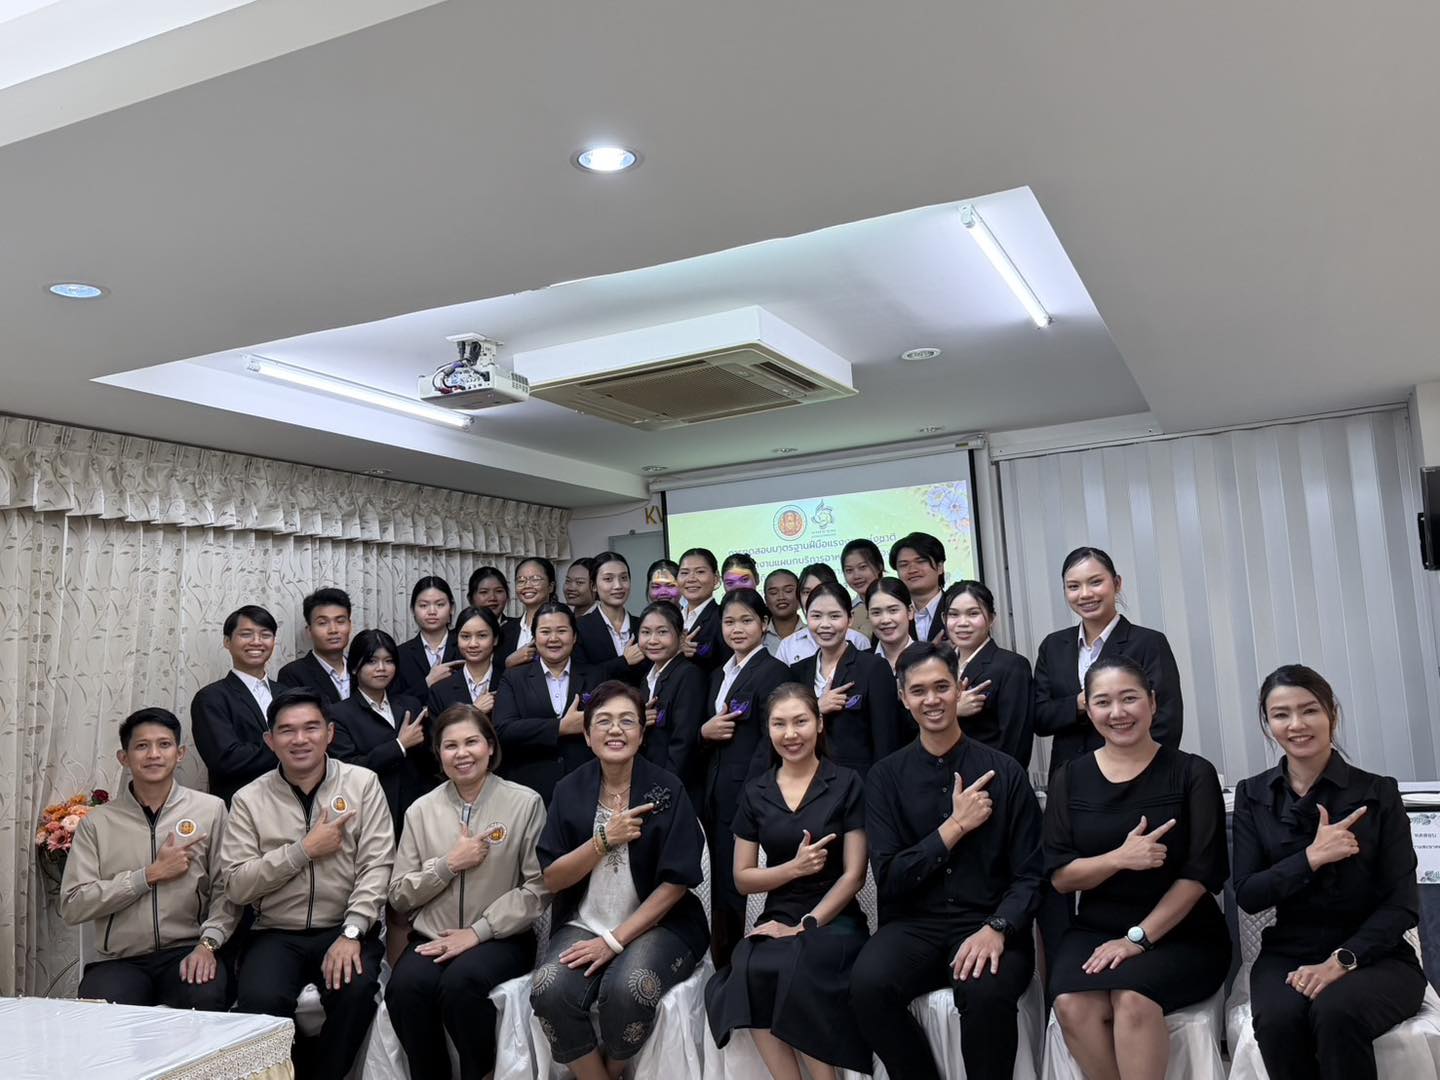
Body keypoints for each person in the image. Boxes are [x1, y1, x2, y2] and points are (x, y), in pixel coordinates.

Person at [851, 641, 1044, 1080]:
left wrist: (998, 928)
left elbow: (1031, 874)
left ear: (959, 688)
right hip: (914, 925)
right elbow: (890, 877)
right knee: (867, 986)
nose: (932, 700)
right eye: (919, 691)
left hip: (989, 919)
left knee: (984, 992)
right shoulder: (884, 778)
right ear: (903, 698)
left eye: (942, 687)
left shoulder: (1005, 772)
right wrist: (953, 828)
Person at [1232, 665, 1426, 1080]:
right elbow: (1248, 894)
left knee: (1336, 1012)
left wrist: (1342, 960)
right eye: (1281, 714)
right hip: (1289, 952)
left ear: (1331, 714)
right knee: (1278, 1021)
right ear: (1268, 723)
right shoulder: (1253, 794)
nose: (1296, 724)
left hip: (1377, 956)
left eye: (1309, 710)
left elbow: (1403, 905)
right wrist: (1310, 858)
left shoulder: (1378, 792)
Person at [1044, 656, 1229, 1080]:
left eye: (1129, 699)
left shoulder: (1192, 773)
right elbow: (1060, 876)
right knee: (1071, 1003)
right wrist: (1119, 858)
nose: (1117, 712)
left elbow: (1201, 875)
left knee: (1131, 998)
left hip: (1182, 932)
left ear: (1152, 703)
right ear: (1088, 709)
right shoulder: (1069, 777)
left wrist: (1138, 939)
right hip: (1095, 929)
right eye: (1103, 702)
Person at [530, 681, 708, 1079]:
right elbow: (553, 878)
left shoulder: (667, 789)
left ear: (642, 734)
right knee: (549, 989)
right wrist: (603, 840)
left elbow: (677, 883)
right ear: (587, 735)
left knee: (630, 989)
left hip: (660, 925)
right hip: (584, 922)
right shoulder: (569, 790)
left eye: (627, 721)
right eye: (604, 721)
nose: (615, 730)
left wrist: (614, 941)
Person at [222, 688, 394, 1080]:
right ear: (270, 740)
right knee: (259, 1002)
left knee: (356, 991)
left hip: (344, 925)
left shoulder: (363, 784)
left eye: (311, 728)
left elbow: (377, 865)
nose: (300, 740)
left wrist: (353, 931)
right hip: (275, 931)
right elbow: (237, 884)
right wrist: (303, 850)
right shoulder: (248, 799)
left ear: (329, 733)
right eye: (287, 730)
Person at [705, 684, 872, 1077]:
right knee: (748, 965)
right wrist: (793, 869)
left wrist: (806, 925)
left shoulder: (847, 783)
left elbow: (854, 875)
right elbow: (743, 879)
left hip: (835, 919)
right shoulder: (756, 792)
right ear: (768, 729)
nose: (791, 733)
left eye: (800, 722)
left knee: (799, 965)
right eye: (779, 724)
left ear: (819, 724)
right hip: (779, 914)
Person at [387, 705, 549, 1080]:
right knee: (405, 988)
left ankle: (482, 1073)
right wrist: (448, 864)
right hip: (433, 935)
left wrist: (478, 932)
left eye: (471, 742)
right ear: (438, 754)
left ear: (490, 746)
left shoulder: (525, 803)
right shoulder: (420, 810)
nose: (462, 753)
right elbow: (399, 894)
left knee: (462, 985)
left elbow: (537, 889)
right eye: (450, 746)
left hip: (501, 937)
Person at [61, 707, 238, 1010]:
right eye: (142, 746)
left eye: (164, 744)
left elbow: (227, 888)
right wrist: (148, 875)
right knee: (100, 1012)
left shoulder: (210, 810)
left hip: (188, 949)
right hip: (120, 960)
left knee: (206, 998)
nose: (154, 754)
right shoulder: (98, 823)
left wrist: (208, 943)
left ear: (180, 754)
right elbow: (73, 904)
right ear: (124, 758)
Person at [700, 588, 793, 965]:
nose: (736, 629)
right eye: (729, 622)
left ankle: (742, 965)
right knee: (719, 885)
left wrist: (750, 796)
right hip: (715, 794)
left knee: (742, 888)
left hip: (749, 798)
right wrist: (704, 732)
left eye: (746, 620)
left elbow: (770, 741)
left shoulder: (774, 672)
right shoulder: (719, 673)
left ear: (764, 624)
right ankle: (723, 965)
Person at [1033, 546, 1183, 777]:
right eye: (1073, 586)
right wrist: (1079, 703)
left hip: (1132, 775)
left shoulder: (1148, 642)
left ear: (1117, 583)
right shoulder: (1053, 646)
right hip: (1068, 778)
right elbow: (1040, 717)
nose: (1085, 594)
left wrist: (1143, 775)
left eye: (1095, 582)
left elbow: (1167, 721)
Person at [327, 628, 437, 834]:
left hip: (417, 808)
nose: (381, 668)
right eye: (371, 661)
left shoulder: (410, 704)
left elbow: (430, 759)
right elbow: (348, 769)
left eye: (388, 661)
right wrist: (399, 745)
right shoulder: (339, 714)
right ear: (354, 667)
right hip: (372, 811)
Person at [786, 581, 901, 776]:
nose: (825, 625)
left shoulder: (873, 668)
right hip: (807, 781)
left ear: (850, 619)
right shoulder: (797, 671)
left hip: (858, 783)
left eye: (834, 616)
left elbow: (886, 742)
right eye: (816, 616)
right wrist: (816, 708)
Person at [491, 601, 601, 803]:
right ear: (534, 638)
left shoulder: (596, 677)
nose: (553, 639)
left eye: (562, 631)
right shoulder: (514, 678)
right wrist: (559, 727)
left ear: (574, 636)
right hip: (528, 789)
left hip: (585, 786)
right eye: (545, 632)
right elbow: (503, 730)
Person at [192, 604, 284, 805]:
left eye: (265, 635)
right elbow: (227, 760)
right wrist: (289, 745)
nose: (256, 642)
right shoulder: (211, 698)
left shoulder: (288, 694)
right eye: (246, 634)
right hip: (241, 806)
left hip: (292, 803)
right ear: (227, 641)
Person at [940, 580, 1035, 768]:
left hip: (989, 776)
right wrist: (953, 710)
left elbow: (1016, 742)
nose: (962, 623)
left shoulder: (1012, 666)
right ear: (944, 619)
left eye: (973, 613)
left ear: (991, 619)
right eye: (954, 614)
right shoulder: (939, 665)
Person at [636, 600, 706, 794]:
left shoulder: (688, 675)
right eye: (646, 632)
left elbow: (683, 743)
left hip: (672, 788)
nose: (653, 640)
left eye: (662, 632)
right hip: (648, 781)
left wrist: (664, 791)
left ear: (681, 636)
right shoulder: (647, 679)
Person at [774, 563, 872, 666]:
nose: (813, 597)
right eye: (807, 592)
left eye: (820, 589)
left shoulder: (857, 640)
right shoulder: (788, 645)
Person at [574, 550, 647, 682]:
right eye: (608, 579)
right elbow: (581, 677)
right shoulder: (580, 628)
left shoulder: (643, 626)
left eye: (623, 578)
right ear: (593, 586)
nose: (618, 586)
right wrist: (623, 661)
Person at [278, 588, 354, 704]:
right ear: (309, 631)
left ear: (350, 625)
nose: (333, 630)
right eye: (322, 623)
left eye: (340, 621)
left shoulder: (360, 669)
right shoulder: (293, 674)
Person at [428, 605, 505, 718]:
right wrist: (475, 711)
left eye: (482, 636)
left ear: (495, 639)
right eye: (465, 636)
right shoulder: (440, 690)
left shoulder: (510, 682)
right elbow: (438, 729)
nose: (473, 644)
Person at [395, 575, 463, 699]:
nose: (432, 611)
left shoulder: (466, 647)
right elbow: (395, 702)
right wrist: (427, 683)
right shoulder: (400, 655)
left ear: (452, 608)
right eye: (423, 605)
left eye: (440, 605)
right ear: (413, 610)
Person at [499, 557, 558, 672]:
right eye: (521, 580)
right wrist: (509, 662)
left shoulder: (564, 626)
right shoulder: (505, 630)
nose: (527, 585)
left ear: (550, 586)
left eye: (535, 579)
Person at [678, 547, 730, 676]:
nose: (691, 579)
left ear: (716, 578)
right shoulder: (674, 618)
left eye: (700, 572)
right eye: (684, 573)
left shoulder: (722, 618)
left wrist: (692, 654)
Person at [887, 533, 947, 641]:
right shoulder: (892, 615)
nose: (912, 570)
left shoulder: (956, 607)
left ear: (940, 567)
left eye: (920, 561)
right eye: (904, 565)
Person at [866, 577, 917, 672]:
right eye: (876, 613)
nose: (885, 620)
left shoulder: (930, 657)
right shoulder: (858, 664)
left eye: (893, 610)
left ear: (910, 611)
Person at [840, 538, 884, 638]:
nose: (856, 576)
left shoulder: (899, 601)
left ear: (879, 566)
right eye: (849, 570)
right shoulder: (847, 612)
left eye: (863, 567)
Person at [761, 568, 803, 654]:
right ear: (766, 600)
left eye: (788, 591)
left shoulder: (813, 634)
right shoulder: (758, 638)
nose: (781, 597)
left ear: (800, 596)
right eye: (773, 592)